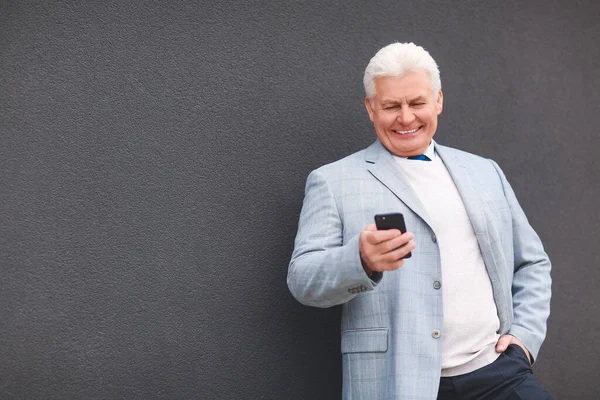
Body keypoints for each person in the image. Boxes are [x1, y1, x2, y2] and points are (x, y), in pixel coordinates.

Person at [287, 42, 552, 399]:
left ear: (438, 101)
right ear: (370, 108)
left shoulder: (485, 171)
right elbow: (302, 279)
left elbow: (532, 262)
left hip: (499, 372)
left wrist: (524, 338)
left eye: (417, 103)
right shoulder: (331, 181)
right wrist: (360, 261)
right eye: (391, 106)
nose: (406, 118)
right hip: (397, 384)